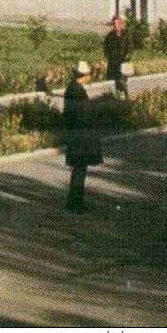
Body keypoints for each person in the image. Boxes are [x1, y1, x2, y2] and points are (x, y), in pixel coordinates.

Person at [63, 60, 102, 212]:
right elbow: (80, 115)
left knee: (78, 170)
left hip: (75, 134)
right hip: (81, 136)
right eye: (88, 75)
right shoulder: (77, 91)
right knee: (80, 170)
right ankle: (75, 204)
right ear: (83, 76)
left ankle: (73, 202)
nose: (89, 77)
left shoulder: (72, 88)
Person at [103, 14, 132, 98]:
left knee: (122, 82)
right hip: (112, 63)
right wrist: (108, 57)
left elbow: (129, 48)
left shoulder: (126, 35)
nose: (116, 26)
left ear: (121, 24)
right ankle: (114, 97)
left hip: (123, 63)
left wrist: (126, 58)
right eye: (114, 24)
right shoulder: (109, 36)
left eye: (118, 23)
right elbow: (106, 49)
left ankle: (125, 97)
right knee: (112, 82)